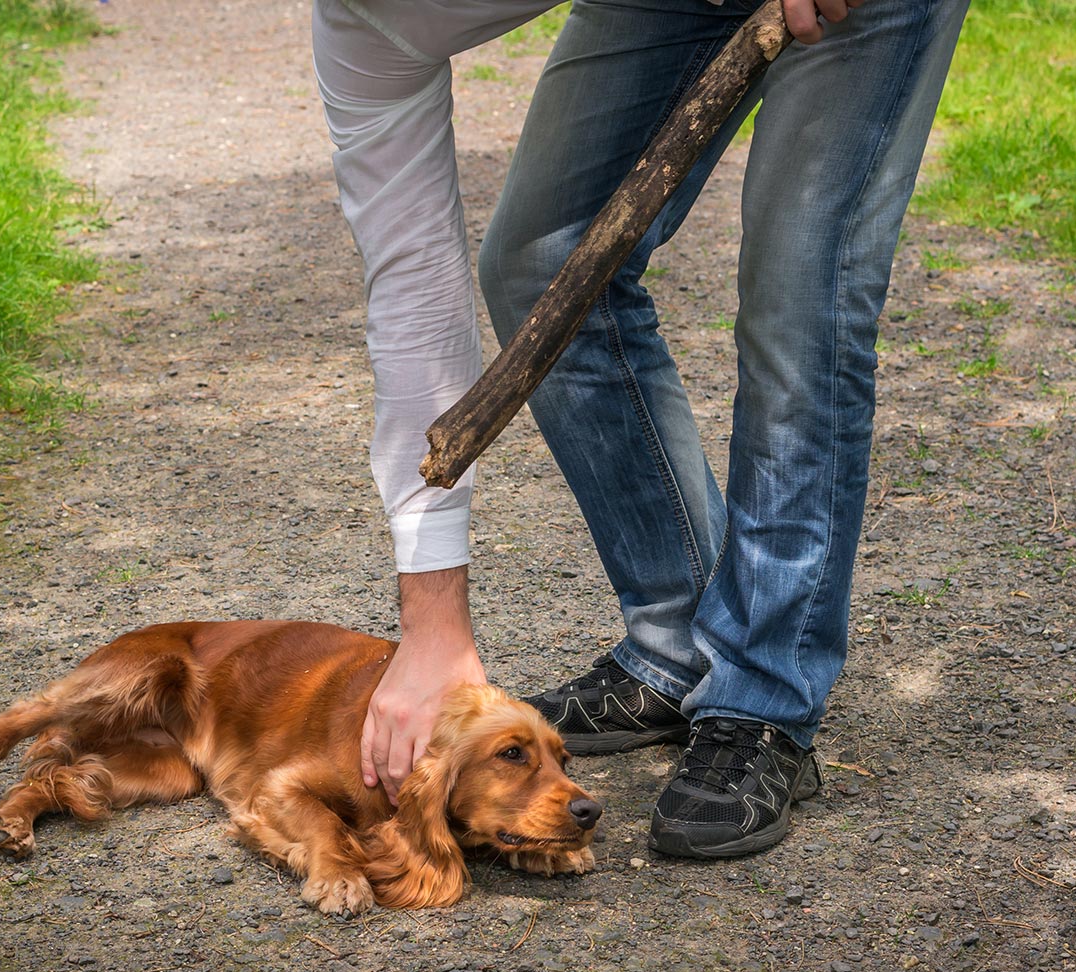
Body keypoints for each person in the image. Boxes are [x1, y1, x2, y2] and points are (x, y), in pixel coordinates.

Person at [312, 0, 969, 857]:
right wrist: (434, 625)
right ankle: (681, 640)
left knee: (801, 292)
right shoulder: (368, 25)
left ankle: (763, 689)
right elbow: (414, 306)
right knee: (543, 263)